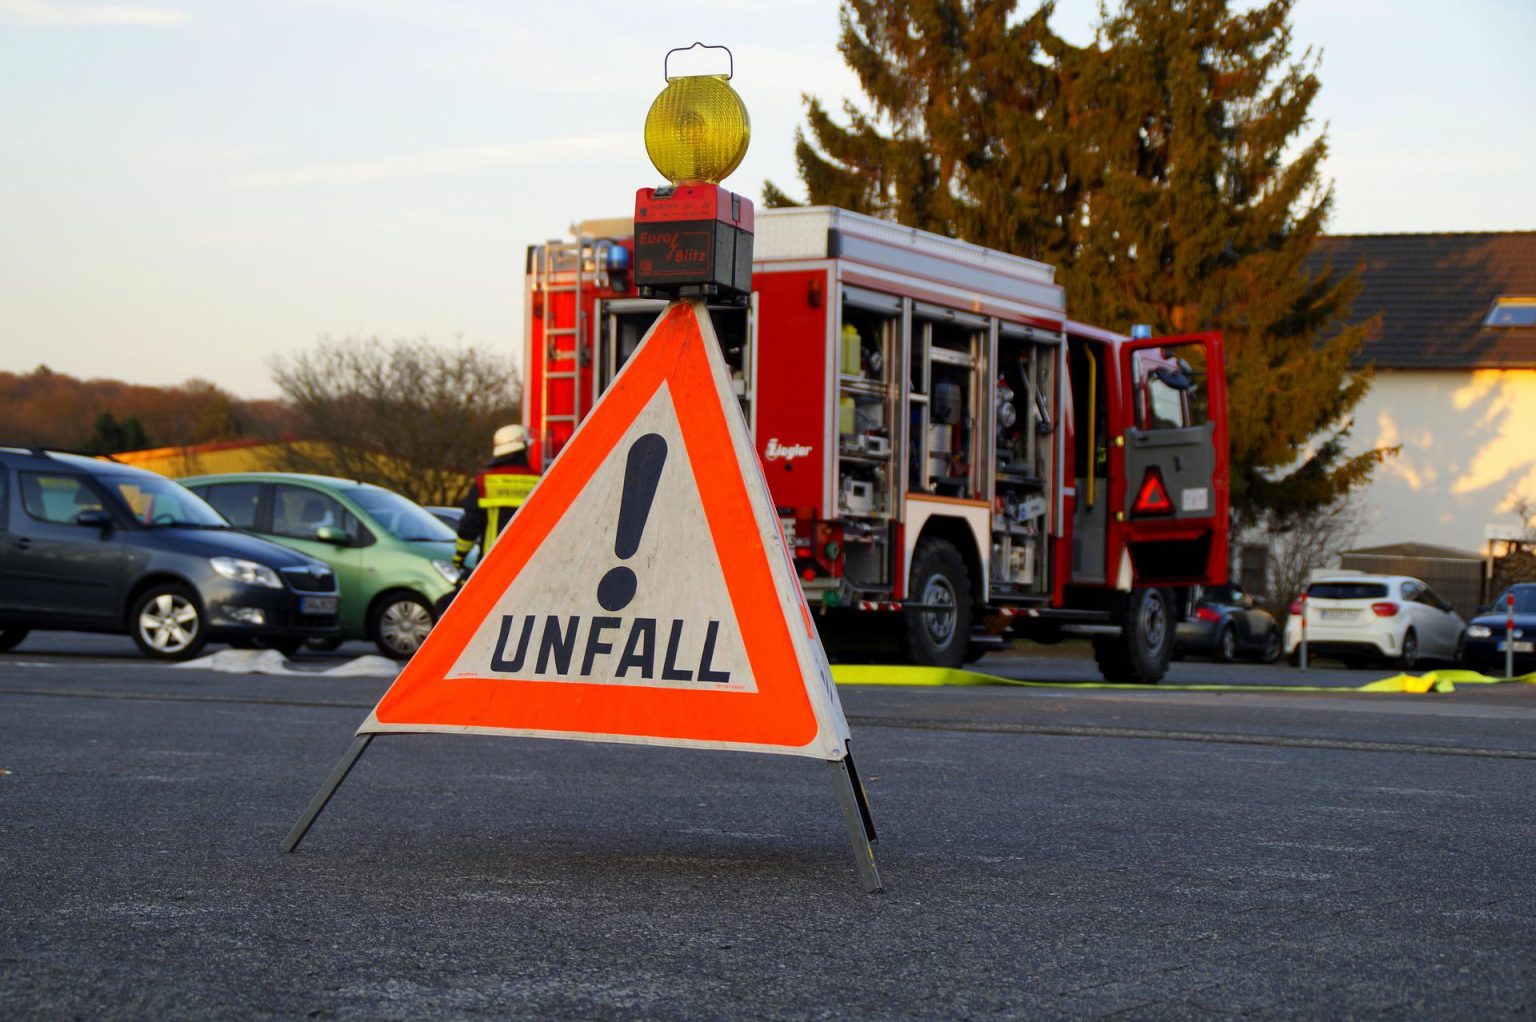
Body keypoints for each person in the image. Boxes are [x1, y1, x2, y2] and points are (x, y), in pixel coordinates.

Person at [451, 424, 540, 571]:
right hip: (530, 565)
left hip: (493, 565)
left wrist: (459, 557)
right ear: (524, 449)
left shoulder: (484, 482)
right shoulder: (539, 482)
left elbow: (469, 526)